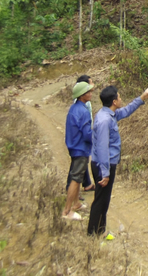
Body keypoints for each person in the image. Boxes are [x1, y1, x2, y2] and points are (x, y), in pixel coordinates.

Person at [87, 83, 148, 236]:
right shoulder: (105, 120)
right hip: (103, 164)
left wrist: (143, 97)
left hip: (104, 163)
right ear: (114, 102)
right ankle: (93, 234)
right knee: (101, 200)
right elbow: (103, 148)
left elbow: (126, 111)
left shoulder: (107, 113)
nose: (121, 98)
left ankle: (99, 231)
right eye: (119, 96)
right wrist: (105, 172)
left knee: (103, 200)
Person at [62, 80, 95, 220]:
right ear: (82, 95)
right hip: (80, 148)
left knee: (78, 176)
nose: (91, 93)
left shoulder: (73, 109)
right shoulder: (84, 111)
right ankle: (67, 211)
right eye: (88, 92)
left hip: (73, 146)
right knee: (75, 179)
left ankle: (76, 204)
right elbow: (87, 133)